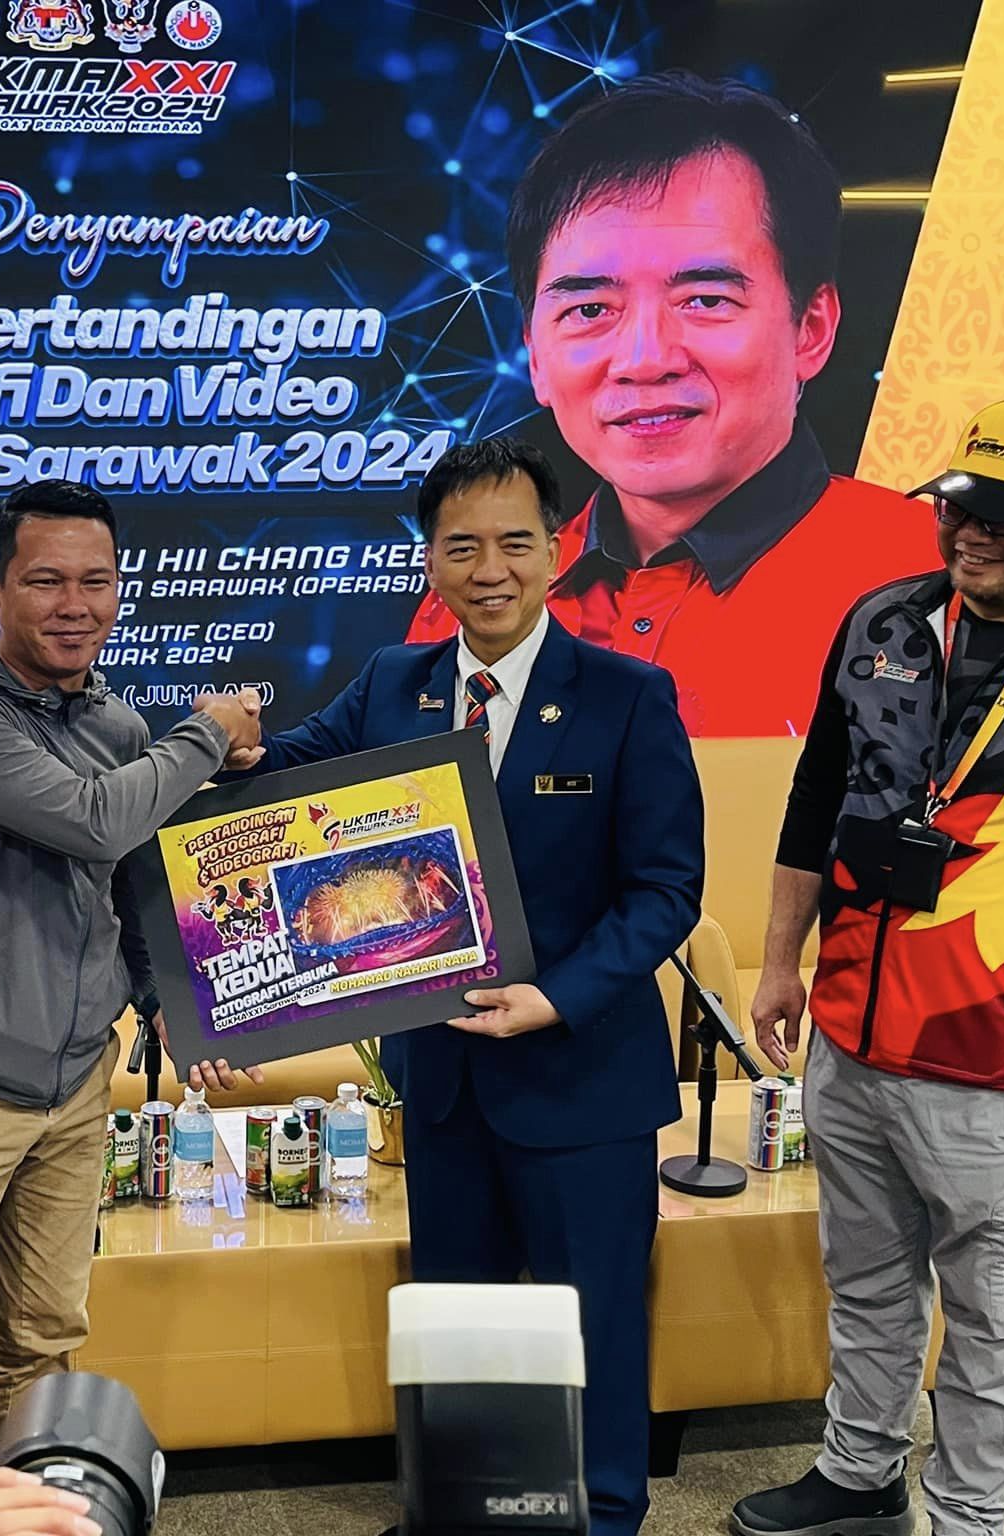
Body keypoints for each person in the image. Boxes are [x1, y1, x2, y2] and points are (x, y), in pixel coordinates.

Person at [731, 396, 1004, 1536]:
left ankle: (969, 1516)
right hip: (849, 1034)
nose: (969, 533)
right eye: (956, 507)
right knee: (866, 1281)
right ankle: (858, 1471)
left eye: (1003, 516)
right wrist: (780, 963)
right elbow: (814, 803)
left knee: (990, 1319)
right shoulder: (880, 621)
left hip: (996, 1058)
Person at [250, 437, 704, 1536]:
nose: (488, 570)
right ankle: (454, 1512)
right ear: (429, 560)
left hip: (580, 1077)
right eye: (461, 547)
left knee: (592, 1317)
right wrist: (224, 738)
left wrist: (555, 996)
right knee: (454, 1321)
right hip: (444, 1080)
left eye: (514, 543)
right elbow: (284, 774)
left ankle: (600, 1514)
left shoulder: (628, 697)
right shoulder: (391, 684)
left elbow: (664, 892)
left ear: (555, 549)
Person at [0, 479, 265, 1536]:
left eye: (96, 580)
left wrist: (166, 1001)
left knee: (44, 1345)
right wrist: (205, 736)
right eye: (45, 581)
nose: (74, 604)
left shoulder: (117, 723)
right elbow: (91, 822)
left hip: (76, 1084)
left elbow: (126, 882)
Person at [406, 72, 936, 736]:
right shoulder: (472, 600)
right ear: (535, 356)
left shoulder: (940, 586)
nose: (644, 358)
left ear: (811, 328)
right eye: (589, 309)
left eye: (705, 300)